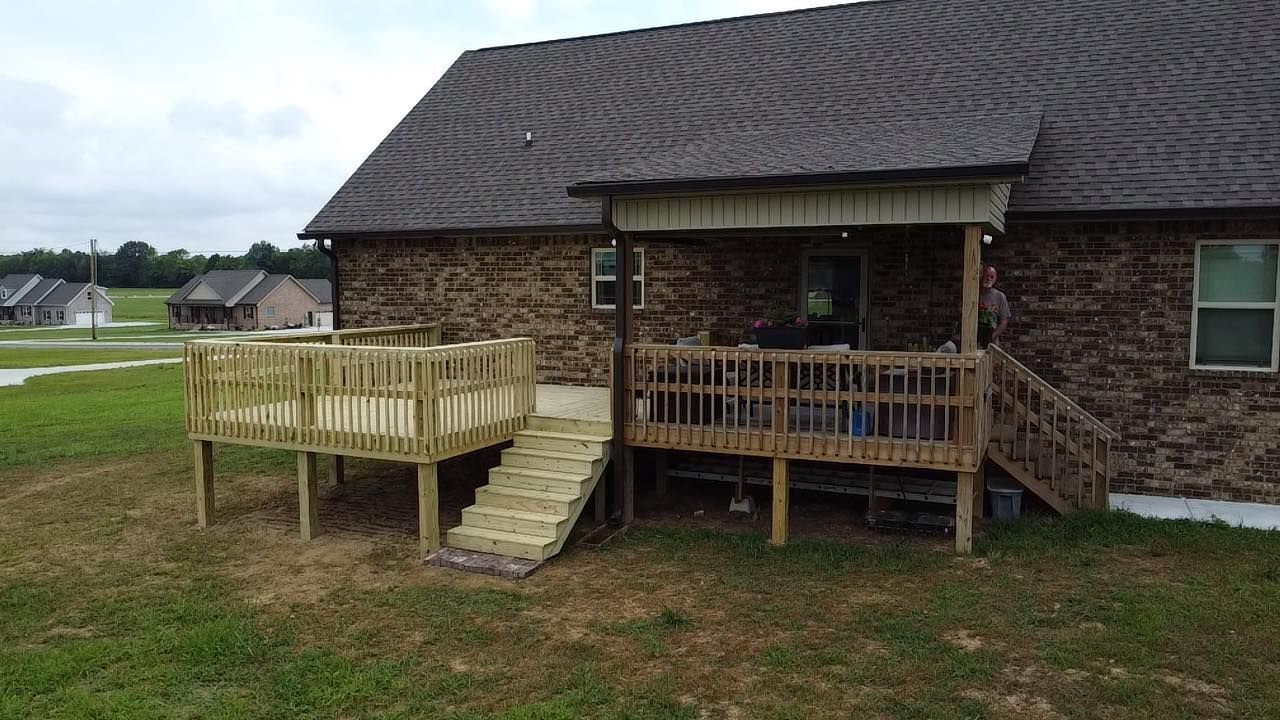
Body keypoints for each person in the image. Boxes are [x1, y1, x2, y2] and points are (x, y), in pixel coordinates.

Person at [977, 264, 1011, 347]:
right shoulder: (974, 294)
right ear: (982, 276)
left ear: (995, 279)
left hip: (992, 340)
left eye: (992, 277)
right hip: (974, 339)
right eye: (987, 276)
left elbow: (1004, 322)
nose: (989, 279)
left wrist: (991, 337)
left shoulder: (1000, 296)